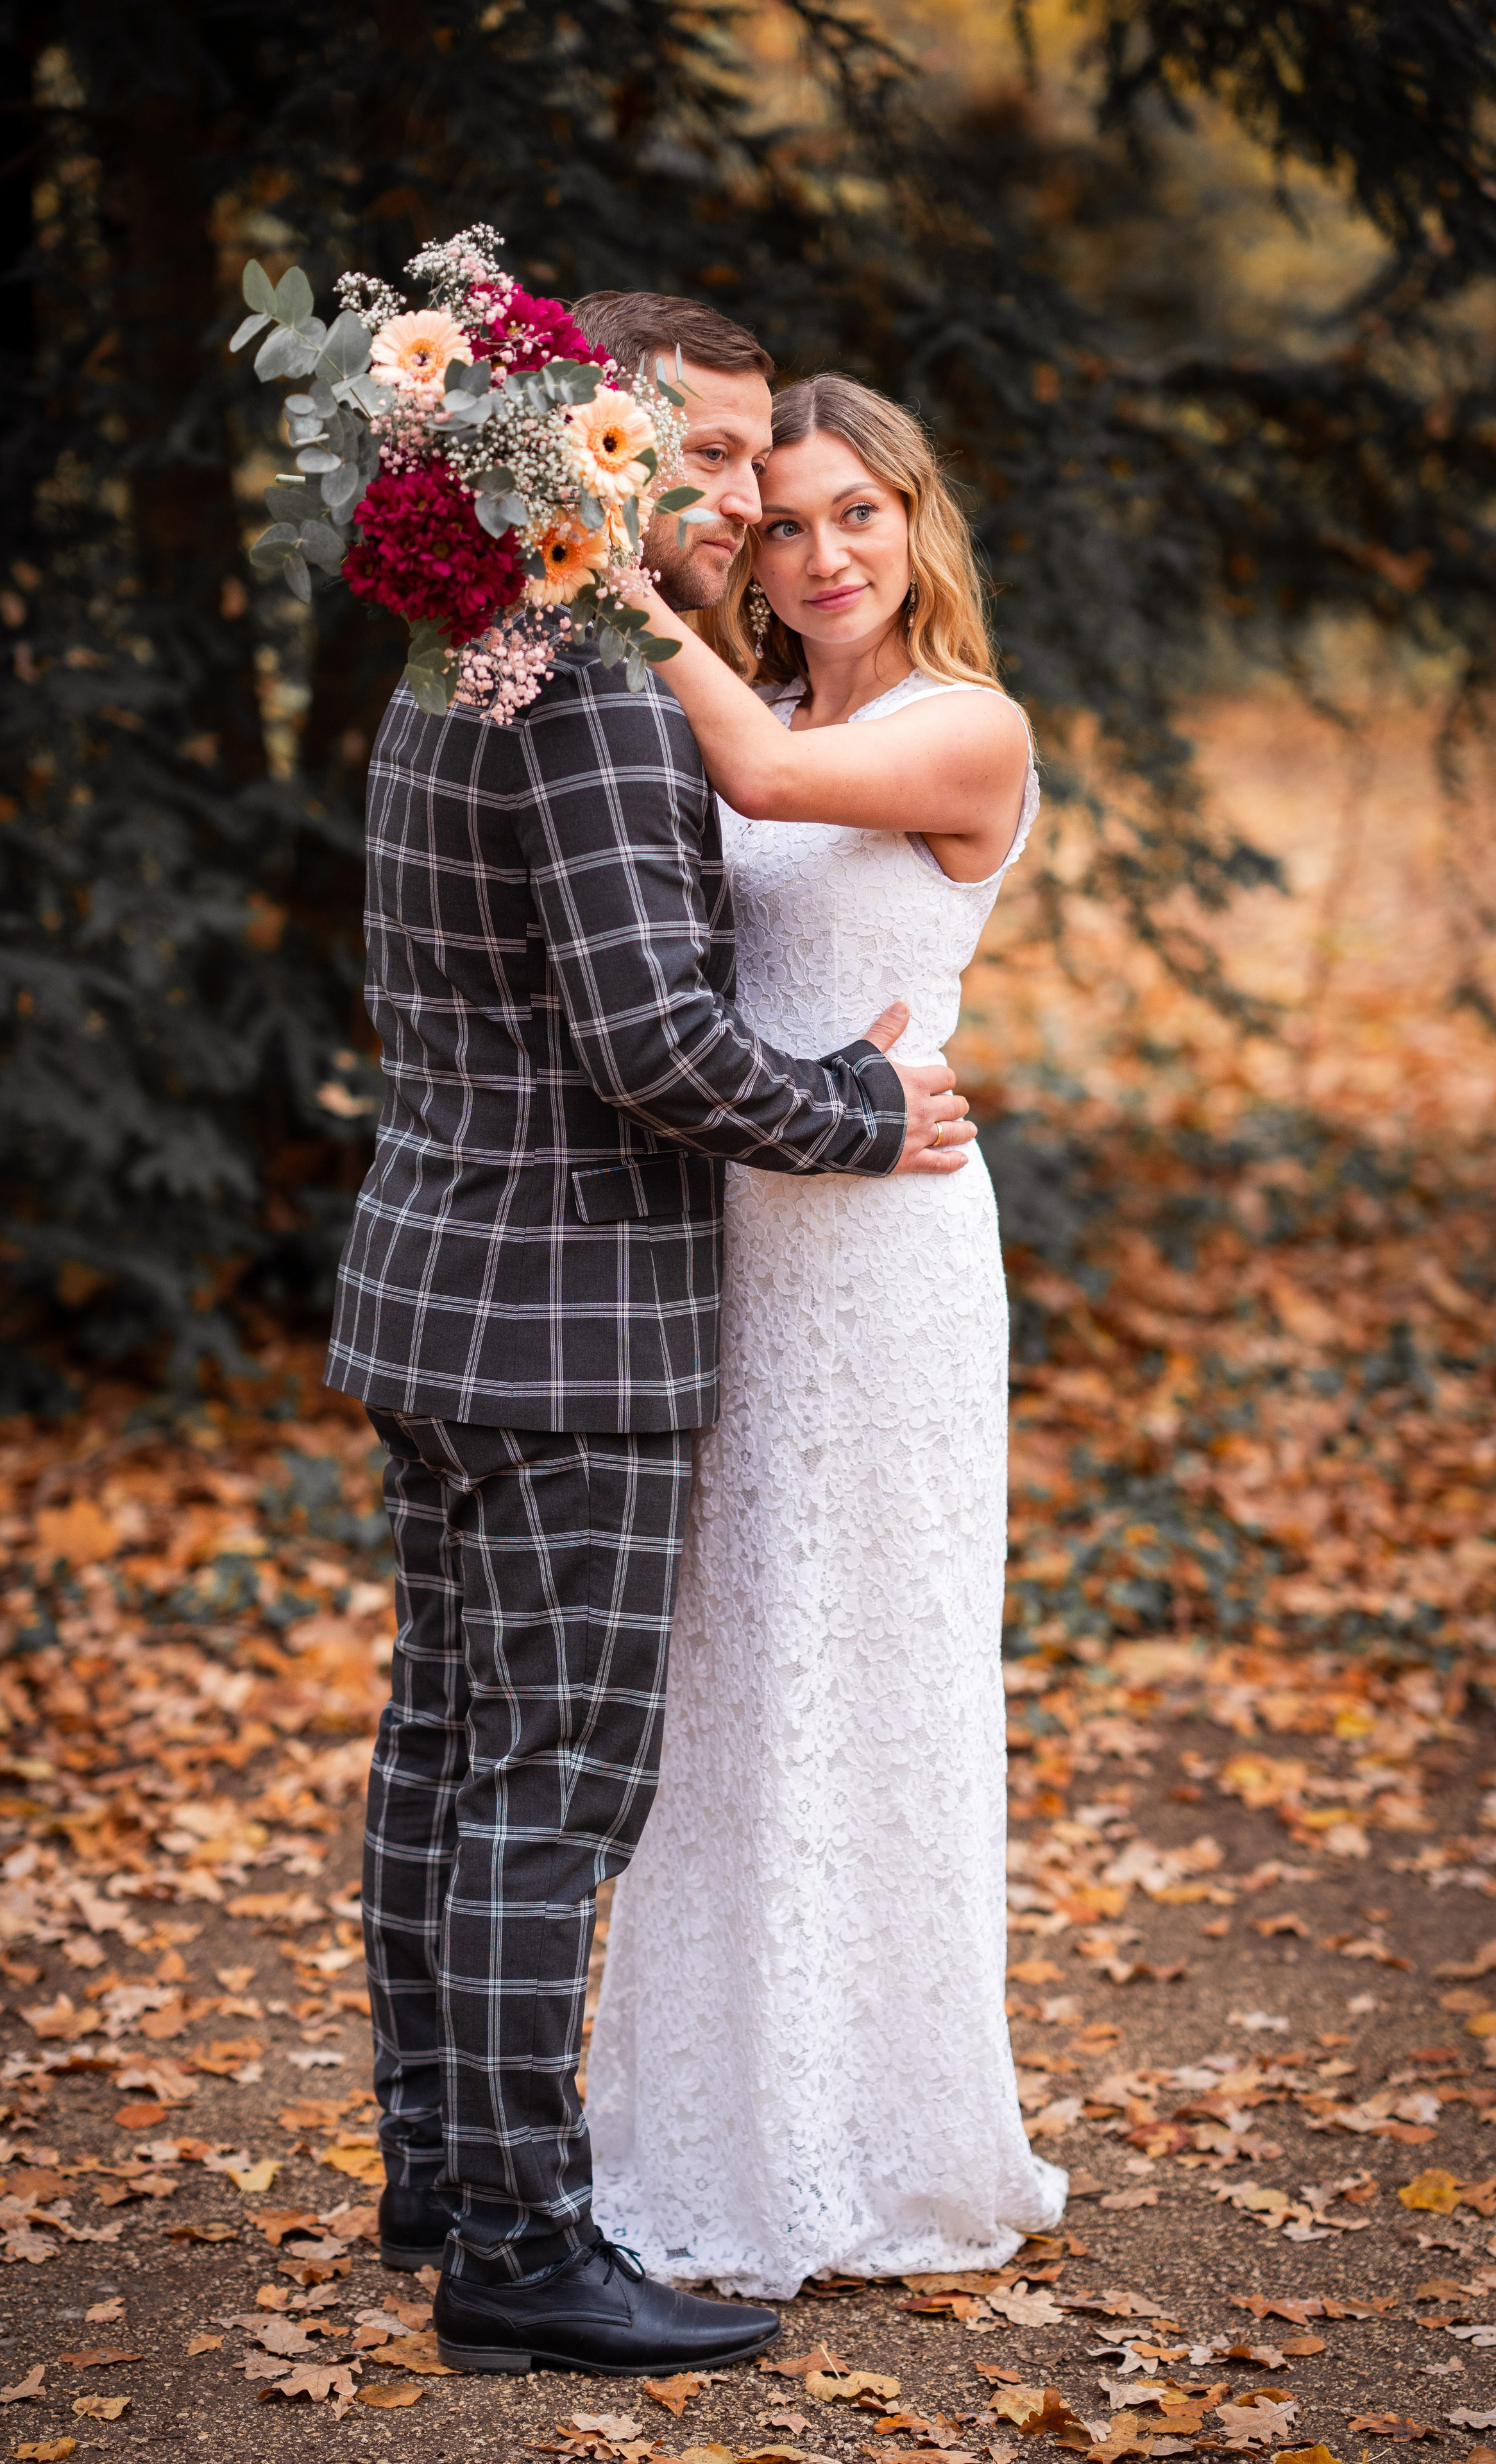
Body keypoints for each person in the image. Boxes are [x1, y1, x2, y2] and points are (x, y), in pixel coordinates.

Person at [325, 304, 977, 2377]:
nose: (724, 503)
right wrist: (871, 1112)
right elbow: (653, 1048)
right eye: (693, 458)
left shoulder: (462, 658)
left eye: (738, 468)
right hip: (572, 1330)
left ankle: (443, 2160)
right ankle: (518, 2246)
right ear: (582, 449)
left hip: (435, 1289)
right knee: (551, 1786)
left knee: (443, 1751)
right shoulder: (595, 687)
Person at [586, 372, 1068, 2295]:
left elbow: (772, 805)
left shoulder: (973, 731)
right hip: (738, 1233)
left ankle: (890, 2135)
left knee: (875, 1664)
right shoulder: (760, 700)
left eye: (853, 512)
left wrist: (606, 579)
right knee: (730, 1678)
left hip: (885, 1250)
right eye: (779, 525)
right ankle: (718, 2128)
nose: (818, 555)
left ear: (913, 517)